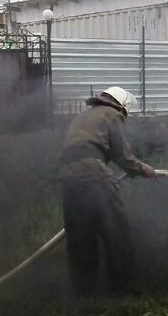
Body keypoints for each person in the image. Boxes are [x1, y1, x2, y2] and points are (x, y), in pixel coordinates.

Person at [58, 86, 156, 299]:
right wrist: (142, 169)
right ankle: (124, 290)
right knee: (115, 231)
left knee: (80, 236)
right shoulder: (112, 114)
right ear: (122, 106)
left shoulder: (83, 116)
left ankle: (82, 293)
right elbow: (122, 154)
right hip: (92, 170)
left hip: (68, 175)